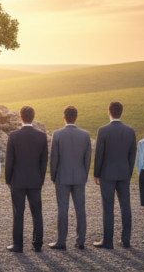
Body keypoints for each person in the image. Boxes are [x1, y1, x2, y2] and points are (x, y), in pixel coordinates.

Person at [93, 101, 137, 249]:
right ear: (121, 113)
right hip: (124, 173)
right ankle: (126, 240)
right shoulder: (130, 131)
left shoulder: (103, 130)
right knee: (126, 206)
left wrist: (96, 174)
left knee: (108, 207)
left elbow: (99, 154)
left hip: (107, 174)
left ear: (109, 112)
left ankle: (107, 241)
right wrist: (128, 172)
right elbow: (132, 154)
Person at [5, 106, 48, 253]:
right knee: (37, 212)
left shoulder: (13, 136)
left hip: (17, 180)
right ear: (33, 117)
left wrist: (8, 180)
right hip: (35, 179)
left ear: (20, 117)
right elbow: (44, 162)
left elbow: (9, 160)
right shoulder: (42, 136)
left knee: (18, 212)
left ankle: (18, 244)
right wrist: (40, 179)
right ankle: (38, 244)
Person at [48, 105, 92, 251]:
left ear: (64, 116)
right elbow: (87, 158)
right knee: (80, 209)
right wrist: (84, 175)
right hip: (79, 176)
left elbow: (54, 157)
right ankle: (81, 241)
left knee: (63, 209)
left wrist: (53, 176)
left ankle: (61, 241)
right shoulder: (85, 135)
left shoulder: (57, 134)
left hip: (62, 177)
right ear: (76, 117)